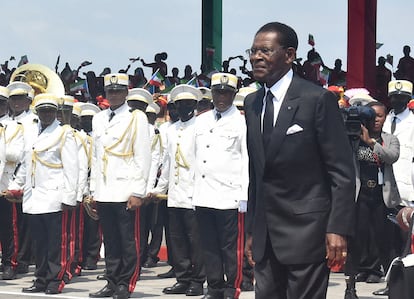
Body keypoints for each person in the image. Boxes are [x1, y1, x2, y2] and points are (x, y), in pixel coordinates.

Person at [243, 22, 356, 299]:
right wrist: (252, 231)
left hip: (309, 233)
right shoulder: (252, 102)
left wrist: (337, 229)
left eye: (266, 51)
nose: (257, 57)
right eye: (253, 51)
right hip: (266, 238)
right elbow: (257, 174)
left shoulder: (316, 100)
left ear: (289, 55)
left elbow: (341, 172)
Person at [6, 93, 78, 294]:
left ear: (56, 113)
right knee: (39, 243)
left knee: (56, 243)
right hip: (33, 197)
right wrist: (15, 185)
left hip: (55, 197)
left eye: (50, 111)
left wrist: (69, 197)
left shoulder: (64, 133)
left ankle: (56, 279)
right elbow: (26, 164)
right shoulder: (31, 133)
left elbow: (72, 167)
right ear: (37, 113)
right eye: (43, 111)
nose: (46, 114)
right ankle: (41, 278)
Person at [88, 73, 151, 299]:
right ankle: (112, 281)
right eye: (110, 91)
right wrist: (94, 190)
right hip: (105, 189)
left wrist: (137, 191)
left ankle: (126, 283)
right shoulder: (99, 118)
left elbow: (143, 157)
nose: (113, 95)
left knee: (127, 241)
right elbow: (96, 157)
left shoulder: (137, 118)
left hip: (125, 190)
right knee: (111, 241)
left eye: (118, 91)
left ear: (126, 93)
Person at [193, 73, 248, 299]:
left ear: (234, 94)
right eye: (217, 92)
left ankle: (231, 287)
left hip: (229, 195)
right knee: (209, 246)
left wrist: (243, 196)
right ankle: (214, 286)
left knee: (230, 248)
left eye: (226, 92)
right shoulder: (202, 120)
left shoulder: (241, 122)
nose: (221, 97)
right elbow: (194, 156)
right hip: (203, 194)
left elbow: (246, 159)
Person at [148, 85, 205, 296]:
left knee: (195, 240)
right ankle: (182, 278)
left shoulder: (201, 127)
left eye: (189, 104)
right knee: (177, 239)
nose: (184, 108)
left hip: (194, 193)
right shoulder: (170, 130)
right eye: (179, 105)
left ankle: (198, 280)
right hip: (174, 193)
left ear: (195, 106)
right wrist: (158, 189)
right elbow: (167, 163)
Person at [343, 99, 400, 299]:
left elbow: (391, 156)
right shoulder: (353, 138)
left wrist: (371, 142)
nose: (376, 120)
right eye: (372, 115)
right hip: (360, 197)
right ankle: (350, 288)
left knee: (385, 244)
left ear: (385, 117)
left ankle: (393, 285)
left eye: (380, 116)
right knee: (356, 244)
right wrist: (355, 135)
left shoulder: (389, 139)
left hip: (381, 197)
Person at [0, 86, 17, 280]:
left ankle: (8, 264)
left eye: (1, 103)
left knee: (7, 227)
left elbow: (14, 154)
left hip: (4, 183)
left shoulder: (13, 127)